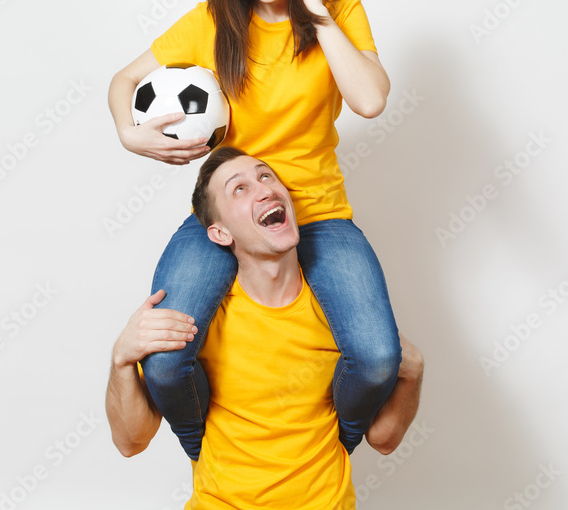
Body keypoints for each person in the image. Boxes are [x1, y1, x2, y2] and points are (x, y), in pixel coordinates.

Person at [108, 0, 401, 460]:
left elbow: (369, 100)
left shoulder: (340, 15)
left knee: (378, 358)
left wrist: (316, 11)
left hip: (317, 215)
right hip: (229, 214)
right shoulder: (212, 20)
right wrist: (130, 134)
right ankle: (208, 453)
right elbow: (124, 82)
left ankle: (324, 450)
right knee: (165, 362)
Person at [106, 148, 425, 509]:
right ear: (220, 232)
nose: (264, 189)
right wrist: (121, 360)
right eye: (238, 189)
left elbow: (383, 440)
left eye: (265, 176)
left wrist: (411, 373)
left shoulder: (345, 315)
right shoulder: (196, 322)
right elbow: (129, 442)